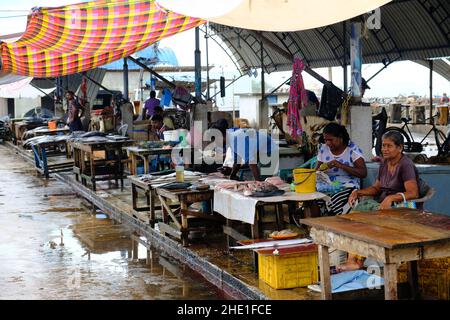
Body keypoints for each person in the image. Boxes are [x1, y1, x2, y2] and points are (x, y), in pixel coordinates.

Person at [338, 130, 420, 272]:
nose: (385, 149)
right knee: (354, 219)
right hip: (382, 206)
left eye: (389, 146)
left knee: (364, 223)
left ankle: (358, 261)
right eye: (383, 146)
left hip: (400, 209)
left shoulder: (406, 165)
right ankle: (353, 260)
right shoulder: (384, 163)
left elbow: (413, 192)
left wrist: (391, 198)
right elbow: (377, 188)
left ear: (400, 148)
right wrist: (358, 192)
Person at [316, 123, 367, 215]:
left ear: (340, 137)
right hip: (327, 185)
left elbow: (363, 173)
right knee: (315, 198)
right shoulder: (324, 149)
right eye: (326, 140)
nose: (328, 143)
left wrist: (341, 165)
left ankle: (336, 222)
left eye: (331, 140)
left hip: (347, 185)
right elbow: (316, 171)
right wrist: (323, 168)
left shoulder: (352, 150)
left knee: (336, 199)